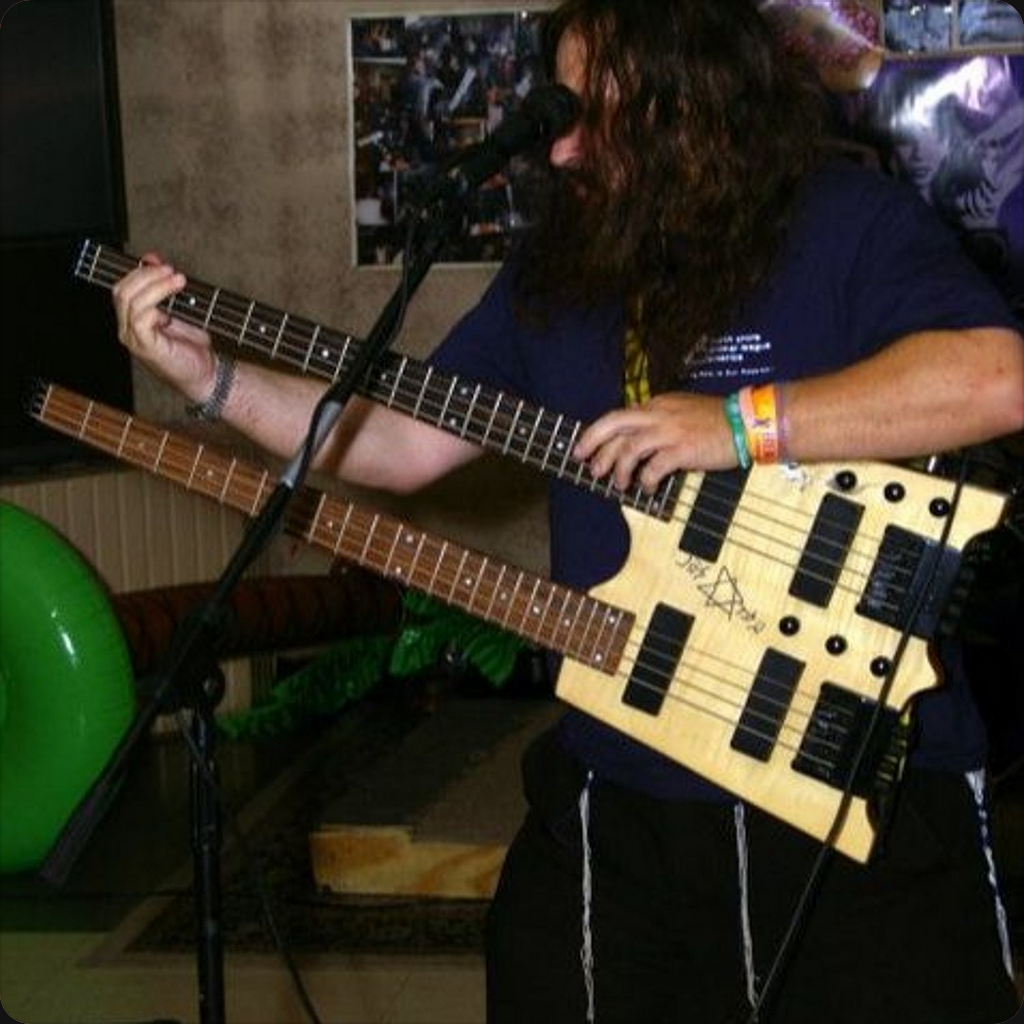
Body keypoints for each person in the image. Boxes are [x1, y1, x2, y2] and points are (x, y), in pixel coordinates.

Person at [112, 2, 1023, 1021]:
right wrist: (211, 380)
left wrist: (739, 424)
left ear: (696, 99)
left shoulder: (845, 220)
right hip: (621, 788)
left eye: (594, 113)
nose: (560, 148)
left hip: (855, 783)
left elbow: (995, 378)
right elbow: (394, 444)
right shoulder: (562, 271)